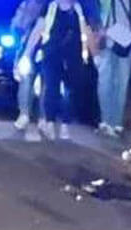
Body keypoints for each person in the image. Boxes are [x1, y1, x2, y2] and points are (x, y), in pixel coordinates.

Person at [21, 0, 92, 141]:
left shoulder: (79, 8)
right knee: (51, 89)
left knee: (70, 92)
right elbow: (38, 30)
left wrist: (94, 55)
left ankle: (65, 124)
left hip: (73, 57)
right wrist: (27, 53)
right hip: (52, 55)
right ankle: (50, 123)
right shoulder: (50, 7)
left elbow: (87, 31)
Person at [95, 0, 131, 137]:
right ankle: (110, 123)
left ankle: (111, 123)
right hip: (114, 42)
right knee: (112, 83)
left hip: (121, 43)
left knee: (114, 83)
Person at [10, 0, 47, 131]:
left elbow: (18, 25)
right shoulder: (30, 4)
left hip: (42, 48)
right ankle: (30, 116)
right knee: (30, 80)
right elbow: (18, 24)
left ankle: (36, 116)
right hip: (33, 48)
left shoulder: (45, 6)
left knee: (41, 82)